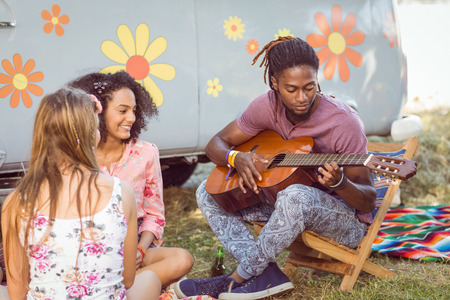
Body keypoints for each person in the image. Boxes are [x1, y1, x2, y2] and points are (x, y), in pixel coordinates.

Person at [174, 36, 377, 300]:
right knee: (206, 192)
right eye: (291, 89)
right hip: (283, 207)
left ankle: (236, 278)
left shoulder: (344, 122)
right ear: (274, 84)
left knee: (294, 195)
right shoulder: (266, 106)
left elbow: (367, 202)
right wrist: (236, 158)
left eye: (310, 87)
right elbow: (215, 144)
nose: (302, 97)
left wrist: (340, 183)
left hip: (343, 223)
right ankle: (267, 274)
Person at [1, 88, 161, 299]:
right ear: (89, 137)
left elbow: (17, 289)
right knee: (150, 279)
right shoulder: (122, 193)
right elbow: (128, 279)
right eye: (96, 129)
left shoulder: (15, 203)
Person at [69, 71, 194, 289]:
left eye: (134, 110)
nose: (132, 118)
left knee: (182, 259)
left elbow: (154, 215)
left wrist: (140, 251)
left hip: (133, 243)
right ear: (97, 113)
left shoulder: (146, 153)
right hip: (89, 246)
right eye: (122, 111)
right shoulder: (78, 153)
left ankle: (110, 286)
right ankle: (132, 287)